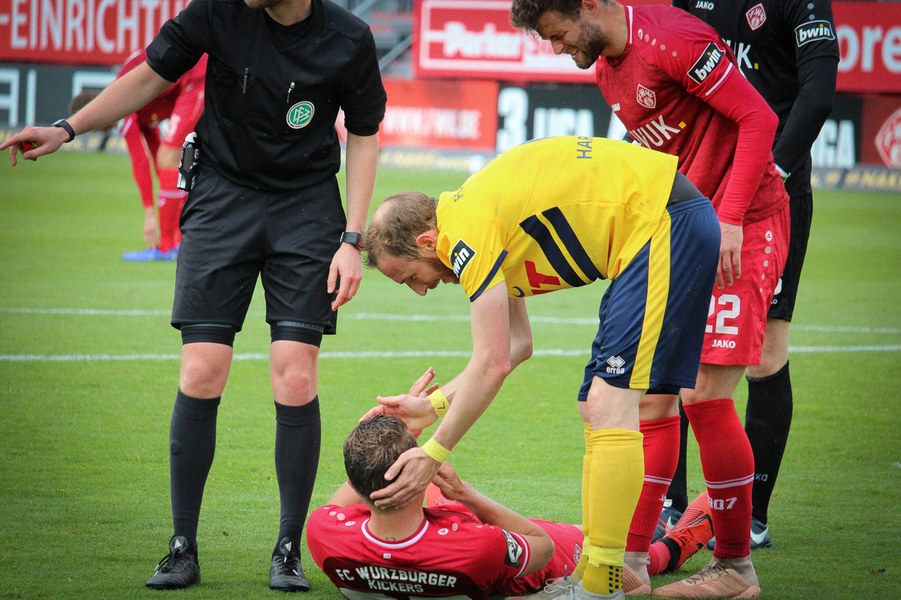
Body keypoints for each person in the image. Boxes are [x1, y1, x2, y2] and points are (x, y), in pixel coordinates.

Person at [1, 0, 386, 592]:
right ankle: (182, 546)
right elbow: (148, 78)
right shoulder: (217, 11)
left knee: (295, 374)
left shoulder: (348, 38)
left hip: (307, 210)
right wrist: (66, 128)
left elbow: (363, 136)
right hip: (221, 199)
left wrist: (351, 239)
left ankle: (287, 547)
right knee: (202, 370)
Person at [509, 1, 790, 597]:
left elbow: (758, 118)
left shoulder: (671, 38)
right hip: (681, 233)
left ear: (589, 5)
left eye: (557, 34)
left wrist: (731, 217)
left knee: (704, 395)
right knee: (652, 399)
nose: (555, 48)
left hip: (744, 223)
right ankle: (631, 561)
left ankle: (736, 569)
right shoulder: (607, 69)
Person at [362, 135, 721, 600]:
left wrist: (432, 454)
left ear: (427, 242)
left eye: (411, 276)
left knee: (609, 403)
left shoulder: (466, 232)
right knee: (595, 405)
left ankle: (602, 585)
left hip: (663, 224)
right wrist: (431, 407)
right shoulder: (475, 217)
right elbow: (517, 346)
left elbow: (492, 362)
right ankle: (597, 574)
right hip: (656, 227)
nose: (421, 290)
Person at [664, 0, 839, 549]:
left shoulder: (799, 4)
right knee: (676, 343)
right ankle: (672, 507)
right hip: (698, 192)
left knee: (763, 356)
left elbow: (818, 92)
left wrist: (774, 171)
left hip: (773, 198)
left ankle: (751, 518)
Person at [308, 411, 584, 598]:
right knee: (590, 537)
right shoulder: (480, 546)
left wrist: (387, 442)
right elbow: (542, 545)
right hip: (476, 547)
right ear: (416, 477)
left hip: (433, 532)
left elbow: (357, 479)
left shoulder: (323, 532)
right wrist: (464, 493)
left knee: (442, 501)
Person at [71, 49, 208, 262]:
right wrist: (165, 198)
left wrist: (150, 215)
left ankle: (167, 247)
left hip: (196, 75)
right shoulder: (132, 100)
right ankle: (178, 241)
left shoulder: (119, 102)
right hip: (195, 72)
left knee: (170, 158)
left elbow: (140, 161)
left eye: (95, 126)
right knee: (173, 162)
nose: (102, 131)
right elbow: (156, 157)